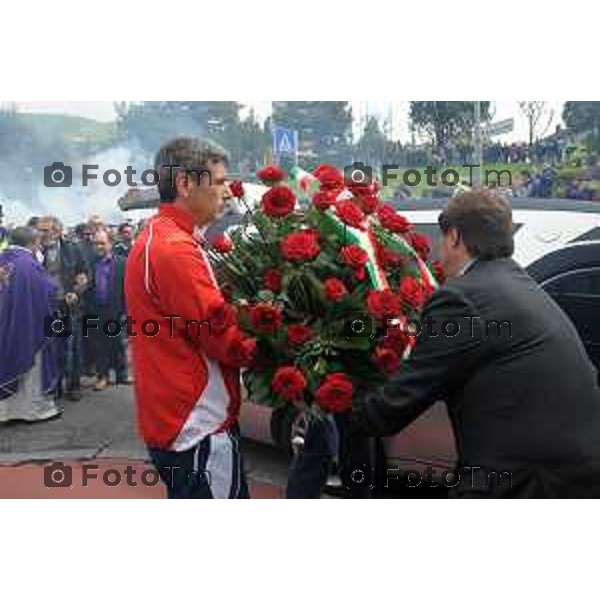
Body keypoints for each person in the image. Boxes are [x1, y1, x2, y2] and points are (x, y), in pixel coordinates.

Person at [354, 189, 600, 498]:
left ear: (454, 236)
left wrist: (336, 401)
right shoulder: (519, 283)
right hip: (575, 472)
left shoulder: (462, 298)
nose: (440, 252)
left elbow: (399, 401)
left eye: (442, 241)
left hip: (526, 482)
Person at [125, 137, 257, 499]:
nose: (226, 192)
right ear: (185, 184)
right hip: (198, 424)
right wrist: (274, 334)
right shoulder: (176, 249)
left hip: (177, 420)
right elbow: (222, 339)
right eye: (217, 182)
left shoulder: (161, 236)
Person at [0, 227, 62, 423]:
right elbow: (47, 291)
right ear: (33, 243)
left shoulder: (3, 260)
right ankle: (33, 411)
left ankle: (6, 412)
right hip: (27, 326)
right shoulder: (29, 265)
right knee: (32, 368)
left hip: (4, 325)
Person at [36, 216, 88, 401]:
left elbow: (84, 274)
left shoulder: (73, 249)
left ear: (57, 231)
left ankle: (74, 385)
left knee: (71, 347)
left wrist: (76, 291)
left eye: (45, 230)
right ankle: (54, 385)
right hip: (45, 308)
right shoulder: (35, 250)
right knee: (50, 348)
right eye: (39, 230)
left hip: (68, 307)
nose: (40, 233)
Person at [85, 229, 128, 391]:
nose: (99, 246)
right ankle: (102, 376)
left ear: (111, 244)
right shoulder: (88, 262)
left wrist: (126, 311)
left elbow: (127, 288)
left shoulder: (122, 262)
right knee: (99, 344)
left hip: (115, 309)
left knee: (117, 342)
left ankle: (121, 374)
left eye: (102, 243)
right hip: (94, 309)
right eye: (96, 243)